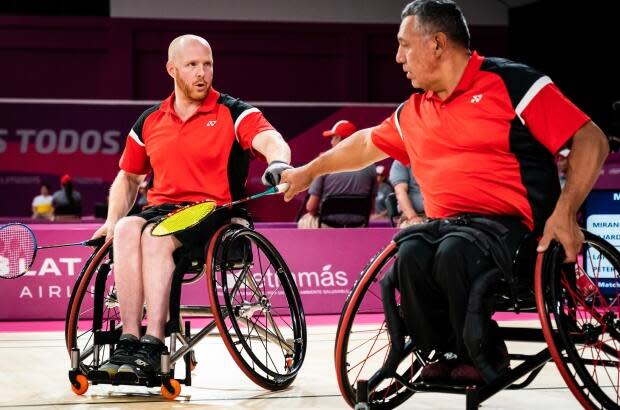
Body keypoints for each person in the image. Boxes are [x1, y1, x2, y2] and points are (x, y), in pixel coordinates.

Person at [282, 0, 608, 384]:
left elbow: (591, 138)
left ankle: (485, 355)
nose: (398, 56)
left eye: (404, 44)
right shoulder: (415, 111)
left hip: (519, 237)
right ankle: (444, 350)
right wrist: (308, 171)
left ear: (437, 43)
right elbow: (365, 144)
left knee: (454, 251)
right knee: (411, 252)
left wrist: (566, 212)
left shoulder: (513, 84)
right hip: (450, 230)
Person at [91, 34, 292, 378]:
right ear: (172, 69)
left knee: (156, 236)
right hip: (164, 209)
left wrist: (279, 163)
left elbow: (271, 139)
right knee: (126, 228)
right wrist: (111, 220)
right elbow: (127, 178)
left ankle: (153, 342)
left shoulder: (234, 112)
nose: (202, 73)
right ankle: (128, 339)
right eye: (192, 65)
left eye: (207, 64)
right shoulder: (150, 121)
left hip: (216, 212)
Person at [297, 120, 375, 228]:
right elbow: (371, 205)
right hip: (359, 226)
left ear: (339, 139)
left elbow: (311, 207)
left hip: (327, 226)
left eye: (333, 138)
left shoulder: (322, 163)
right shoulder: (371, 166)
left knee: (305, 221)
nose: (331, 142)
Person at [388, 160, 425, 228]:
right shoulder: (401, 161)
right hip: (416, 214)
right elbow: (400, 191)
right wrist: (412, 217)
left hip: (442, 214)